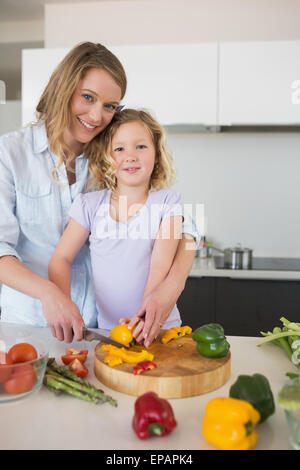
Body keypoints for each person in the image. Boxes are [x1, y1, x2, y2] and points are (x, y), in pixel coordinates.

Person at [0, 42, 198, 344]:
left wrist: (173, 285)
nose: (96, 116)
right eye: (88, 97)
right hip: (30, 322)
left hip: (101, 326)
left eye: (109, 106)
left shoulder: (113, 155)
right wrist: (49, 292)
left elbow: (185, 229)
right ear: (63, 89)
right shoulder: (9, 153)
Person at [48, 109, 186, 346]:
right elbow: (60, 259)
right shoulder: (89, 205)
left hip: (161, 329)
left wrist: (144, 317)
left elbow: (161, 264)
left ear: (156, 153)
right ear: (107, 157)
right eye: (120, 149)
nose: (130, 156)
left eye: (141, 147)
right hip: (110, 333)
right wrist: (64, 304)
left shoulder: (168, 202)